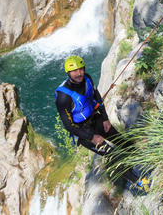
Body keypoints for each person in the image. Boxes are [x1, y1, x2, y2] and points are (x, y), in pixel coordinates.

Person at [55, 55, 149, 189]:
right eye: (75, 71)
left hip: (96, 119)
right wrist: (92, 137)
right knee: (112, 155)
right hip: (83, 132)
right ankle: (139, 182)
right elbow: (68, 125)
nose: (79, 73)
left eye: (81, 69)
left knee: (122, 141)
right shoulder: (63, 97)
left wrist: (105, 118)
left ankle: (138, 161)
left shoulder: (87, 78)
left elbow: (96, 97)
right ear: (68, 73)